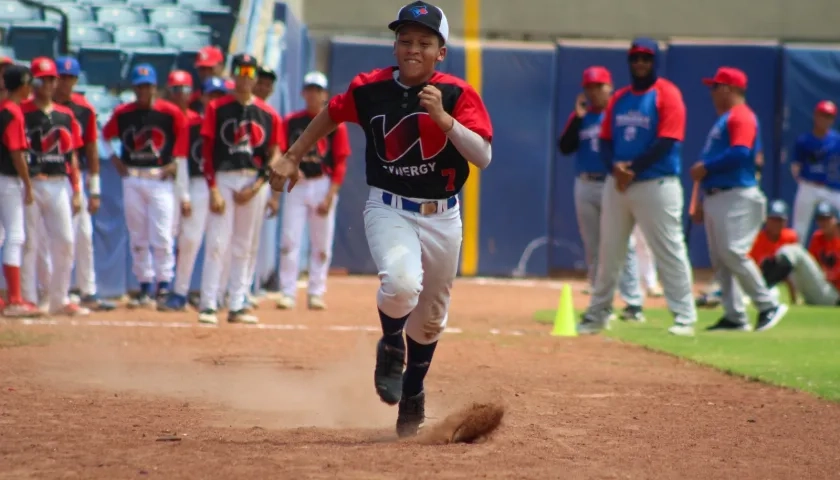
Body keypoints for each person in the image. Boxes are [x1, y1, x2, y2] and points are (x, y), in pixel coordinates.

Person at [267, 1, 493, 438]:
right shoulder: (369, 89)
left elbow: (483, 156)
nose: (412, 49)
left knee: (430, 320)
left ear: (440, 52)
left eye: (424, 43)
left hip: (443, 215)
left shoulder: (457, 94)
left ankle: (413, 393)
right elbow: (332, 114)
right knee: (402, 283)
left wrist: (444, 120)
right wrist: (294, 155)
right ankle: (391, 344)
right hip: (389, 205)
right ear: (395, 46)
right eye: (405, 41)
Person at [577, 37, 697, 336]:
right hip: (618, 184)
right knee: (609, 252)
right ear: (629, 62)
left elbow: (668, 139)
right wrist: (614, 168)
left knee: (669, 249)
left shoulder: (667, 94)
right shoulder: (620, 98)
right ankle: (597, 314)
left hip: (656, 183)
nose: (640, 63)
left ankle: (684, 316)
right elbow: (604, 140)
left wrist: (633, 169)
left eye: (646, 58)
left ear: (655, 62)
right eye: (636, 58)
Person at [689, 67, 789, 332]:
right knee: (721, 259)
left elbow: (741, 153)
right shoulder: (725, 119)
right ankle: (734, 317)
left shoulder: (740, 116)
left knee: (733, 252)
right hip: (718, 195)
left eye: (714, 87)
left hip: (736, 195)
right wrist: (700, 199)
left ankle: (768, 305)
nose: (711, 93)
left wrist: (707, 168)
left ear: (727, 89)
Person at [198, 53, 285, 325]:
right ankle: (209, 304)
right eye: (240, 71)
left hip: (252, 181)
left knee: (245, 246)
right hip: (224, 178)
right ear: (233, 75)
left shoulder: (269, 114)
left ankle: (238, 303)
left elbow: (274, 153)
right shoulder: (217, 108)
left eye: (250, 72)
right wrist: (212, 188)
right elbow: (207, 151)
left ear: (255, 77)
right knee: (217, 243)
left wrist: (259, 185)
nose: (245, 77)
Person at [557, 66, 645, 321]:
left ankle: (633, 303)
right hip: (584, 183)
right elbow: (565, 147)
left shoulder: (618, 114)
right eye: (589, 87)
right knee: (594, 245)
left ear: (610, 88)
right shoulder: (582, 117)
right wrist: (577, 117)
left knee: (623, 243)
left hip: (611, 182)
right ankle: (600, 303)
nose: (594, 92)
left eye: (599, 87)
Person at [101, 64, 188, 308]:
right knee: (138, 235)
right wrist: (115, 158)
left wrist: (176, 164)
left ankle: (163, 285)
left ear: (155, 88)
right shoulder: (124, 112)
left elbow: (182, 139)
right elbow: (104, 135)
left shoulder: (169, 112)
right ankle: (145, 285)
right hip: (134, 177)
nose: (143, 91)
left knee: (161, 235)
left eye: (148, 86)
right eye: (139, 86)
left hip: (159, 178)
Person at [41, 56, 114, 311]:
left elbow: (92, 149)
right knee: (51, 237)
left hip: (75, 177)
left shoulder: (83, 108)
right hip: (48, 176)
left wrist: (94, 189)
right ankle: (50, 290)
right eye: (62, 77)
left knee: (84, 234)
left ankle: (88, 290)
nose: (66, 82)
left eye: (71, 78)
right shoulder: (41, 106)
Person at [274, 71, 350, 311]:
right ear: (303, 92)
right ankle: (287, 292)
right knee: (290, 239)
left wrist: (331, 195)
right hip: (297, 185)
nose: (313, 94)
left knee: (321, 243)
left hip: (321, 183)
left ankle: (316, 291)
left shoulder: (335, 124)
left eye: (318, 90)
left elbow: (340, 161)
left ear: (324, 94)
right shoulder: (291, 122)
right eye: (309, 89)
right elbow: (282, 154)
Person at [19, 58, 86, 315]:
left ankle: (59, 298)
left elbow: (73, 156)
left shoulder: (65, 114)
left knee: (67, 241)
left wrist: (77, 190)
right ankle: (29, 298)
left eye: (50, 79)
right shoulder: (23, 112)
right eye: (41, 79)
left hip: (59, 183)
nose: (46, 84)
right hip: (32, 182)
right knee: (29, 242)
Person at [159, 73, 224, 312]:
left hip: (222, 186)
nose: (215, 100)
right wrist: (184, 196)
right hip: (197, 186)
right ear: (204, 98)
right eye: (211, 95)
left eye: (219, 96)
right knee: (189, 241)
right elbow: (182, 161)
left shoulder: (227, 123)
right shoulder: (193, 124)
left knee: (218, 244)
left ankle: (216, 294)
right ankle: (179, 292)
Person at [0, 64, 41, 317]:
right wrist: (28, 184)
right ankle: (14, 299)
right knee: (15, 236)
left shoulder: (2, 109)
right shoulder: (13, 111)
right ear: (23, 85)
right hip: (8, 180)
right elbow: (17, 153)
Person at [762, 201, 840, 306]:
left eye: (827, 218)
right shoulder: (818, 238)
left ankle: (764, 285)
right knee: (790, 257)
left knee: (795, 251)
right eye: (820, 219)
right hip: (821, 289)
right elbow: (814, 269)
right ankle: (765, 286)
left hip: (834, 295)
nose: (823, 222)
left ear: (836, 219)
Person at [790, 101, 840, 242]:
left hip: (832, 188)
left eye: (829, 116)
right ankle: (795, 260)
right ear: (815, 115)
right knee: (799, 229)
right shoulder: (804, 140)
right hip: (809, 186)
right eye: (822, 115)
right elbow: (795, 165)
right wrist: (802, 181)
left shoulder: (837, 140)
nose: (825, 119)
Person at [747, 199, 799, 302]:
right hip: (762, 281)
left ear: (786, 222)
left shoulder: (790, 237)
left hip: (783, 282)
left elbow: (793, 271)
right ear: (766, 219)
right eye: (773, 219)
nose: (776, 223)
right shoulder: (757, 239)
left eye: (779, 220)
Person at [189, 46, 225, 114]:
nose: (206, 73)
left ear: (221, 66)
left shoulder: (233, 91)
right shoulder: (193, 100)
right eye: (202, 68)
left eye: (210, 68)